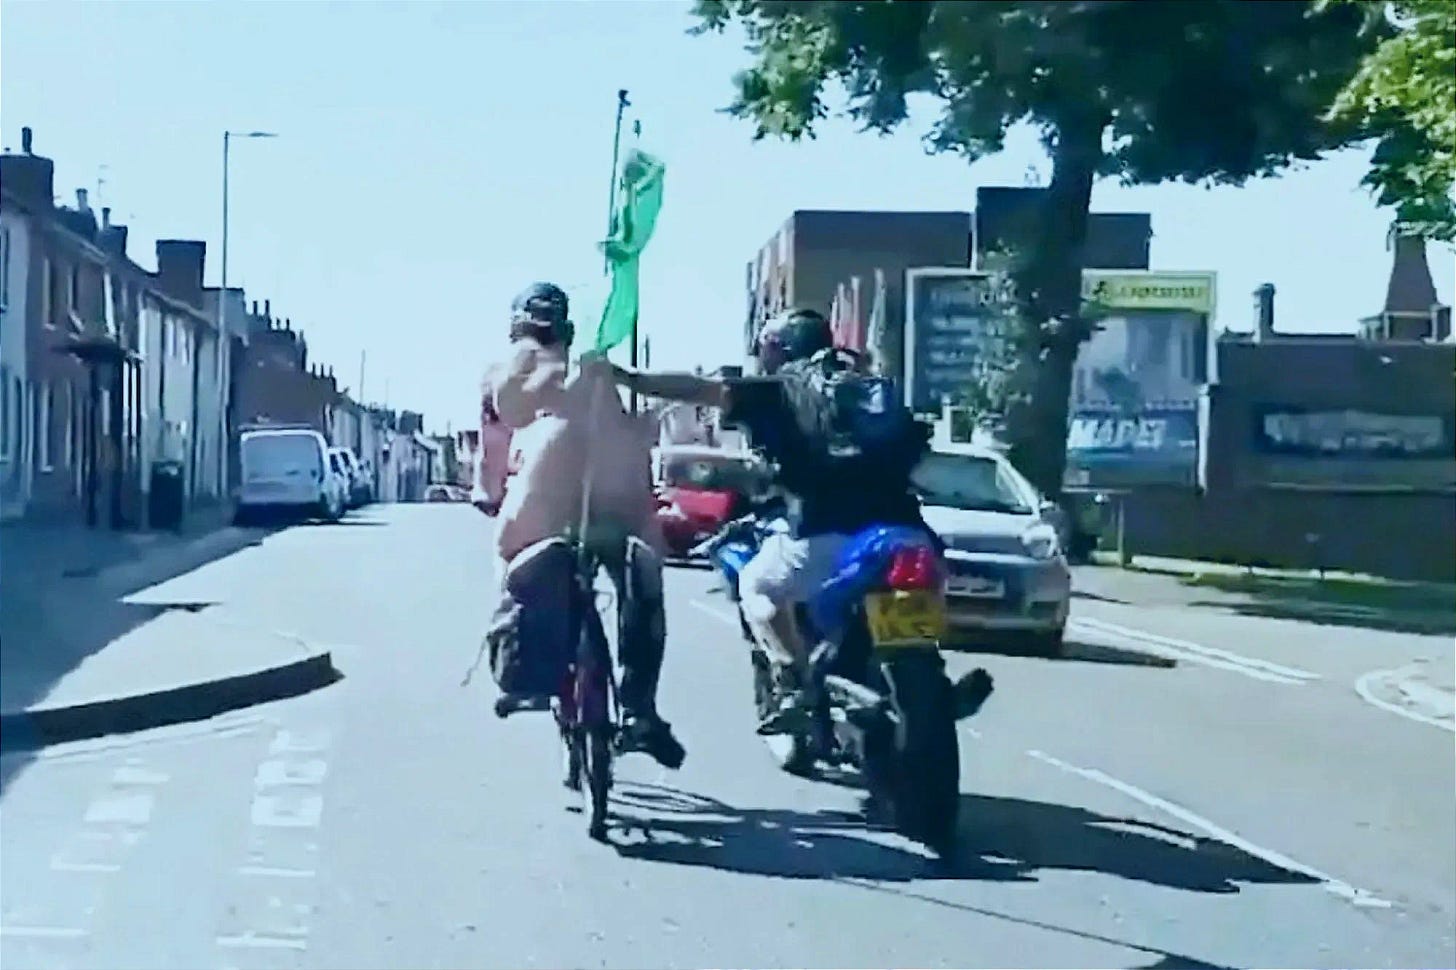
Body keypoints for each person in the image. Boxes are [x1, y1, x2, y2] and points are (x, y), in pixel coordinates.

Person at [608, 307, 932, 735]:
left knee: (757, 585)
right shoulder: (868, 385)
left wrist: (632, 379)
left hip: (826, 532)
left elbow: (699, 388)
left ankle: (797, 683)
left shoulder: (779, 388)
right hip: (907, 532)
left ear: (777, 349)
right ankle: (928, 685)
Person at [477, 282, 685, 770]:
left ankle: (523, 671)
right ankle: (639, 708)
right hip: (619, 506)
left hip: (545, 508)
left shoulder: (513, 366)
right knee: (644, 585)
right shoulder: (597, 372)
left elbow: (493, 452)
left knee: (510, 561)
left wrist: (488, 495)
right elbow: (633, 433)